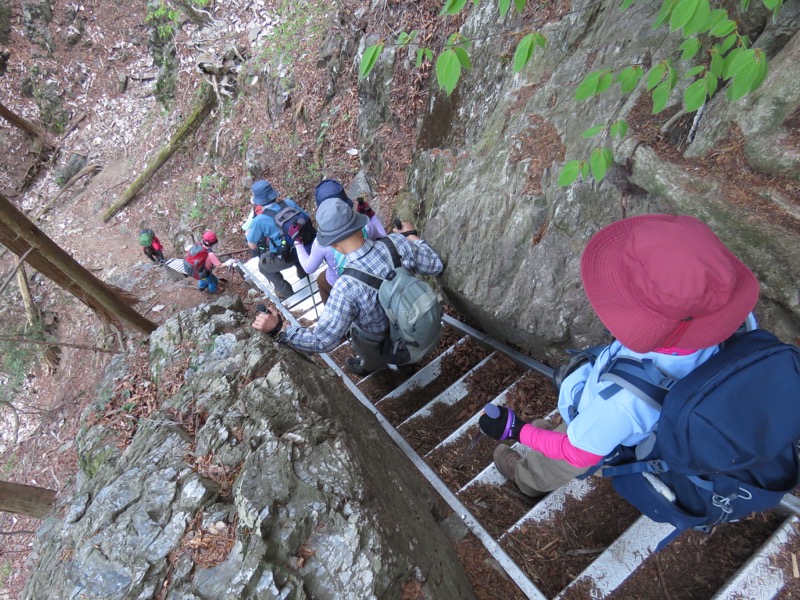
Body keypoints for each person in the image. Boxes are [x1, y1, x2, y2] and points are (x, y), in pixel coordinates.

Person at [479, 214, 760, 498]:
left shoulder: (621, 403)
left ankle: (527, 478)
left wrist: (515, 429)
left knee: (557, 460)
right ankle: (546, 435)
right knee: (578, 431)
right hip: (640, 410)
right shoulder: (734, 320)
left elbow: (577, 453)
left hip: (605, 434)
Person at [252, 198, 443, 375]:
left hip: (380, 343)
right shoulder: (396, 243)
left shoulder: (345, 288)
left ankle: (369, 366)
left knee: (367, 342)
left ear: (332, 245)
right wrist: (410, 236)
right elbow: (435, 265)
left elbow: (322, 341)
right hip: (418, 325)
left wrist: (279, 329)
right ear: (361, 226)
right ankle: (404, 365)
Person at [294, 179, 386, 304]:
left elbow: (309, 268)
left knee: (321, 279)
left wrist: (297, 242)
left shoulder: (321, 244)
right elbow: (383, 237)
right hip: (372, 274)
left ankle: (331, 309)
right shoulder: (367, 226)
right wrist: (371, 216)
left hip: (340, 284)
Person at [245, 179, 308, 300]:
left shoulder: (260, 220)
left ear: (258, 201)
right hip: (305, 246)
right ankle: (303, 272)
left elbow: (252, 245)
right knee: (293, 243)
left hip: (287, 256)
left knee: (263, 266)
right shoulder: (288, 203)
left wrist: (249, 234)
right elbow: (306, 217)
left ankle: (286, 292)